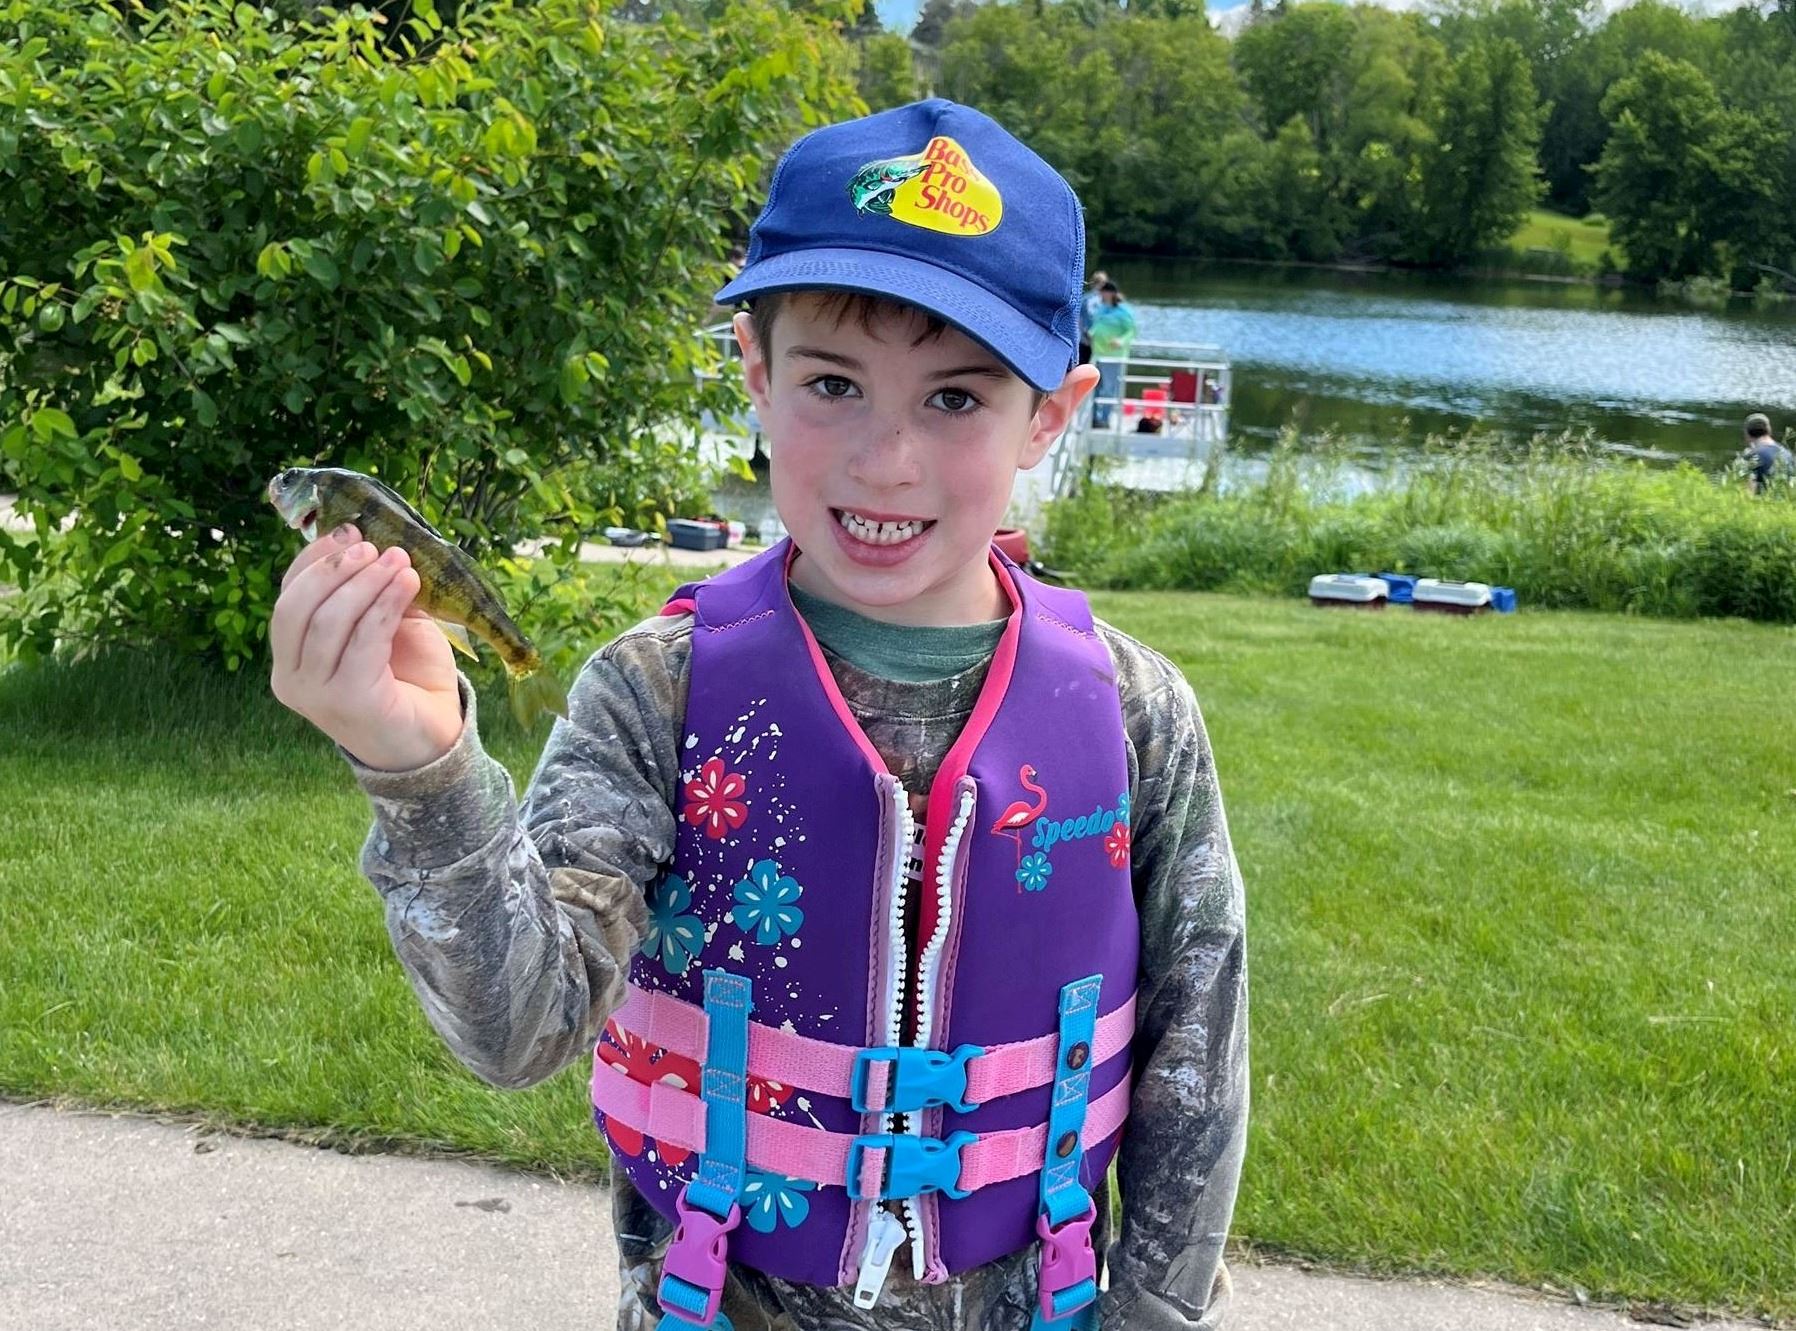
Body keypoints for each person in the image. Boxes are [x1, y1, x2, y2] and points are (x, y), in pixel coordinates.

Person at [268, 98, 1246, 1331]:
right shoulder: (656, 691)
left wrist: (1156, 1311)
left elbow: (1197, 1060)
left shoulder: (1134, 711)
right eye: (832, 383)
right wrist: (420, 771)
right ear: (753, 374)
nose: (885, 459)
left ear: (1049, 412)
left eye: (955, 399)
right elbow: (517, 1029)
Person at [1087, 281, 1137, 429]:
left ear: (1111, 293)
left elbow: (1131, 331)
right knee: (1095, 387)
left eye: (1104, 292)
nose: (1101, 295)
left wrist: (1121, 341)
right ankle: (1094, 417)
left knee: (1109, 389)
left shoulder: (1123, 311)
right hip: (1098, 354)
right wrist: (1092, 332)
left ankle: (1104, 418)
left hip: (1114, 356)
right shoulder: (1101, 309)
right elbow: (1097, 324)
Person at [1741, 412, 1792, 494]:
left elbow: (1747, 493)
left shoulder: (1752, 455)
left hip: (1764, 500)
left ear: (1747, 434)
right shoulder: (1787, 454)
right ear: (1769, 431)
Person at [1077, 268, 1109, 365]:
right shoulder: (1103, 300)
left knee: (1083, 364)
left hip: (1085, 338)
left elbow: (1079, 319)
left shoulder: (1084, 299)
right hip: (1096, 339)